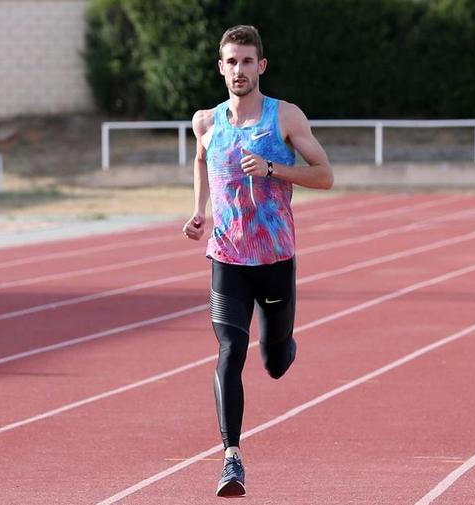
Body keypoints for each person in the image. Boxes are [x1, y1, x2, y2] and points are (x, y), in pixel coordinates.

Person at [182, 25, 333, 497]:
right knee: (229, 351)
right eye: (232, 61)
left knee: (272, 361)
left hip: (274, 258)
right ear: (221, 67)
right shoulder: (206, 121)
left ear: (261, 66)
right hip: (226, 257)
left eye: (248, 61)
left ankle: (285, 344)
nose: (240, 70)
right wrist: (199, 211)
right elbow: (202, 160)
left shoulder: (284, 117)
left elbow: (325, 176)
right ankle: (231, 457)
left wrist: (273, 169)